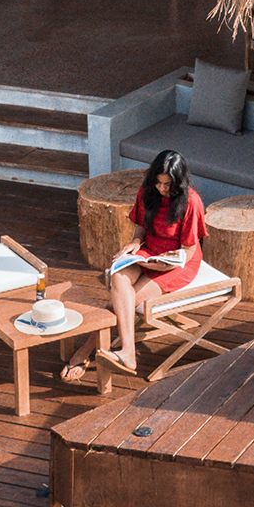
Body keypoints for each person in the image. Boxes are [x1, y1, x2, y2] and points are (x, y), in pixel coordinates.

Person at [64, 149, 204, 381]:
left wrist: (166, 266)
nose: (162, 188)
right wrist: (135, 243)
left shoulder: (191, 202)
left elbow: (189, 250)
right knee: (119, 276)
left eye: (167, 184)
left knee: (122, 301)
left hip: (178, 261)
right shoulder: (147, 192)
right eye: (158, 182)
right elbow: (141, 226)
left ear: (178, 182)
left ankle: (93, 351)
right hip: (148, 250)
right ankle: (124, 352)